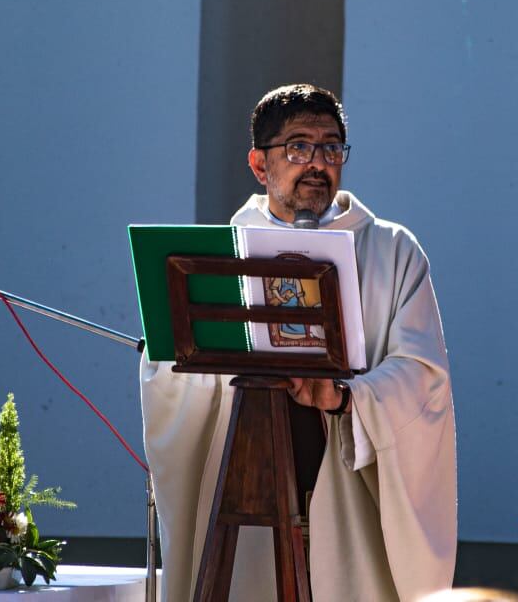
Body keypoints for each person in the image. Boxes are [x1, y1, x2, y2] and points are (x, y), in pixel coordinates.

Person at [139, 84, 458, 601]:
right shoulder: (220, 257)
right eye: (297, 147)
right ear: (259, 165)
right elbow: (166, 369)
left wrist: (345, 397)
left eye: (331, 147)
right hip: (246, 471)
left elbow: (423, 374)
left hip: (348, 480)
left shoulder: (392, 251)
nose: (317, 163)